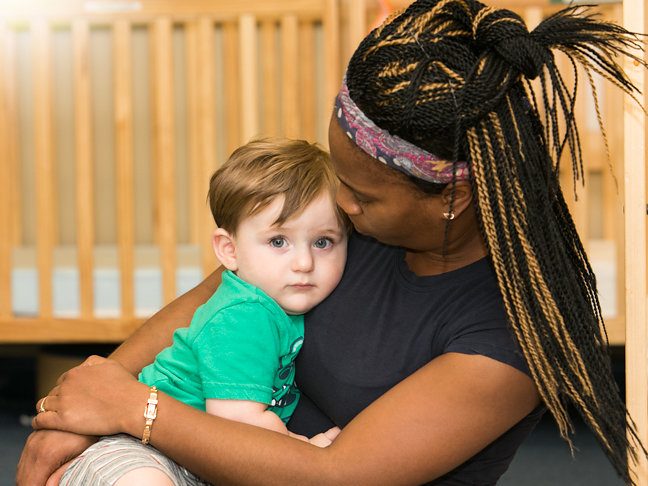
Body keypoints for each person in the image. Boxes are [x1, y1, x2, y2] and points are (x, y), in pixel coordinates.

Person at [18, 1, 648, 484]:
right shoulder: (353, 226)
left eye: (362, 196)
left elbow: (337, 475)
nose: (341, 208)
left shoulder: (514, 333)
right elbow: (220, 294)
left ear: (451, 199)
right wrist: (76, 406)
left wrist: (135, 408)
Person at [59, 138, 348, 485]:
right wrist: (305, 451)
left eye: (322, 242)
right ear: (229, 250)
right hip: (139, 447)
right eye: (278, 242)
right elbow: (238, 419)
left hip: (195, 456)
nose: (304, 263)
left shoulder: (276, 305)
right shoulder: (244, 314)